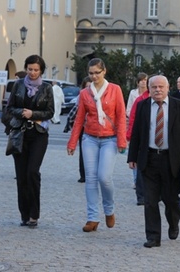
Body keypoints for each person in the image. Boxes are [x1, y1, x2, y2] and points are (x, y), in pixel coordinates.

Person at [128, 75, 180, 248]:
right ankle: (153, 236)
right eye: (154, 87)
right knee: (150, 201)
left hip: (171, 160)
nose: (157, 90)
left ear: (167, 88)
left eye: (161, 87)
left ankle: (174, 223)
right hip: (149, 158)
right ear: (149, 89)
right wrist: (132, 157)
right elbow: (136, 132)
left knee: (171, 199)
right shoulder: (143, 106)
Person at [67, 59, 126, 232]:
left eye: (97, 73)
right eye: (91, 73)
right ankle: (92, 217)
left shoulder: (115, 90)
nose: (94, 76)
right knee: (90, 179)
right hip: (89, 138)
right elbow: (79, 119)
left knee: (104, 177)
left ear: (104, 71)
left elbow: (121, 116)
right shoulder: (85, 93)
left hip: (110, 139)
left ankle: (109, 209)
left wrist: (122, 140)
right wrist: (72, 142)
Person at [4, 54, 54, 228]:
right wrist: (22, 113)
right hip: (20, 134)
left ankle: (34, 214)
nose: (32, 73)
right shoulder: (18, 85)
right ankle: (24, 214)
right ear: (26, 69)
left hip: (39, 134)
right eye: (30, 69)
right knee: (21, 176)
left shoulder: (47, 88)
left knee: (32, 172)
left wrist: (33, 114)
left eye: (36, 70)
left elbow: (50, 112)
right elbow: (9, 108)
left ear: (41, 71)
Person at [64, 76, 92, 183]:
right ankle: (83, 175)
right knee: (83, 152)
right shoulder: (82, 96)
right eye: (87, 87)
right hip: (83, 127)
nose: (89, 89)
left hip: (93, 128)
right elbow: (75, 111)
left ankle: (92, 174)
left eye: (91, 86)